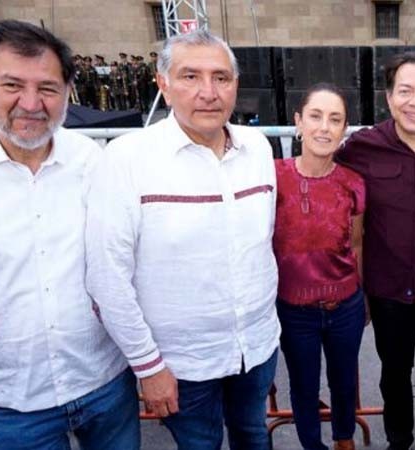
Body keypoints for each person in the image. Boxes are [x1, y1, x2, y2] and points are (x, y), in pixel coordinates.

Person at [85, 30, 280, 450]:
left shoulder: (258, 148)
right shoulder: (126, 159)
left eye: (221, 78)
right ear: (164, 85)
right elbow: (107, 277)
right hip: (181, 365)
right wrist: (148, 366)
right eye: (190, 76)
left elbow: (262, 243)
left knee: (253, 436)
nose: (208, 92)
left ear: (235, 86)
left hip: (256, 349)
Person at [0, 19, 139, 450]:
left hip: (104, 385)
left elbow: (116, 262)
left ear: (68, 91)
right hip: (9, 404)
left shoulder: (91, 160)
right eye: (12, 85)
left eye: (48, 89)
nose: (31, 104)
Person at [335, 50, 415, 450]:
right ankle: (398, 442)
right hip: (387, 289)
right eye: (406, 91)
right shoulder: (360, 148)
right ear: (389, 97)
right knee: (393, 374)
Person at [274, 83, 366, 450]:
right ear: (298, 122)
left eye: (335, 119)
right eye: (315, 116)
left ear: (344, 130)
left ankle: (345, 439)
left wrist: (364, 296)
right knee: (304, 384)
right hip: (294, 310)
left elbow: (357, 243)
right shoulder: (272, 177)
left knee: (346, 381)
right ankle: (312, 445)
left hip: (345, 305)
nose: (324, 127)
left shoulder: (353, 183)